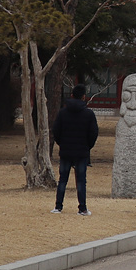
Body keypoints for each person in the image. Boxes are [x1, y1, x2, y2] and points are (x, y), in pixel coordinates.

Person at [50, 84, 99, 216]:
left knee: (63, 180)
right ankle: (82, 208)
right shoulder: (89, 114)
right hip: (82, 151)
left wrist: (62, 143)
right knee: (81, 180)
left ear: (71, 95)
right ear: (84, 97)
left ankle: (58, 206)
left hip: (66, 150)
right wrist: (88, 146)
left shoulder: (63, 112)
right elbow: (93, 133)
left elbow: (56, 130)